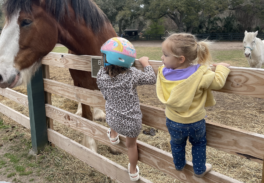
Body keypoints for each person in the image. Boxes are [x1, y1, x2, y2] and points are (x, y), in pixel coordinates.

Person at [156, 33, 230, 178]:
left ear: (180, 59)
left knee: (176, 144)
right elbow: (218, 83)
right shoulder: (201, 74)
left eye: (165, 55)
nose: (161, 58)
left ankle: (179, 164)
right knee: (198, 144)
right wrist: (222, 68)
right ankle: (199, 169)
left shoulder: (163, 73)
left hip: (173, 121)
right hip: (195, 122)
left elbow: (165, 67)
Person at [97, 37, 156, 181]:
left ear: (107, 58)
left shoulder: (100, 75)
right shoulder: (132, 74)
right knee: (131, 146)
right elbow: (152, 79)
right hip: (132, 123)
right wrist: (145, 63)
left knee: (110, 105)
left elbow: (105, 94)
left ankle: (113, 136)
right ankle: (133, 171)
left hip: (113, 120)